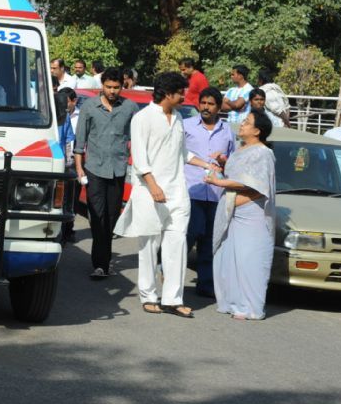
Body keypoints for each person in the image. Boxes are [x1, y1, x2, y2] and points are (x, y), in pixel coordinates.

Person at [114, 72, 217, 318]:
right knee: (149, 246)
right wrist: (153, 186)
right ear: (168, 94)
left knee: (177, 244)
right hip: (149, 192)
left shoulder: (179, 118)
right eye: (180, 93)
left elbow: (183, 153)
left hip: (177, 192)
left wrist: (206, 164)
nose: (184, 97)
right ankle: (149, 296)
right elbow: (139, 158)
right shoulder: (142, 118)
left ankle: (173, 299)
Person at [206, 108, 276, 320]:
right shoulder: (240, 149)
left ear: (257, 131)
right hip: (232, 211)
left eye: (247, 122)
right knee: (229, 257)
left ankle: (251, 308)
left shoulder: (263, 153)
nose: (242, 124)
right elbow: (238, 174)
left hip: (252, 213)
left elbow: (256, 183)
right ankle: (233, 303)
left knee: (249, 261)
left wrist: (218, 182)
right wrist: (223, 163)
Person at [74, 67, 139, 279]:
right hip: (94, 169)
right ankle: (100, 264)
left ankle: (104, 260)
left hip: (118, 170)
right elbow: (79, 142)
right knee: (97, 216)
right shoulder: (89, 107)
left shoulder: (130, 108)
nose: (112, 91)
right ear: (102, 85)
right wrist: (79, 169)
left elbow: (138, 139)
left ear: (122, 86)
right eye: (108, 87)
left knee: (111, 218)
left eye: (116, 87)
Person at [183, 87, 236, 297]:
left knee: (210, 240)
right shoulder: (186, 126)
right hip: (191, 190)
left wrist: (224, 161)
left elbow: (233, 163)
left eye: (211, 104)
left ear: (219, 107)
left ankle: (205, 284)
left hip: (216, 193)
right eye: (203, 103)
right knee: (190, 233)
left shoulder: (227, 131)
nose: (206, 107)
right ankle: (169, 272)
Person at [62, 88, 81, 243]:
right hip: (57, 162)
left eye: (66, 101)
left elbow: (70, 140)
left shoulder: (80, 117)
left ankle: (68, 230)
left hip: (72, 163)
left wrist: (71, 163)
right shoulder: (52, 115)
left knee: (70, 199)